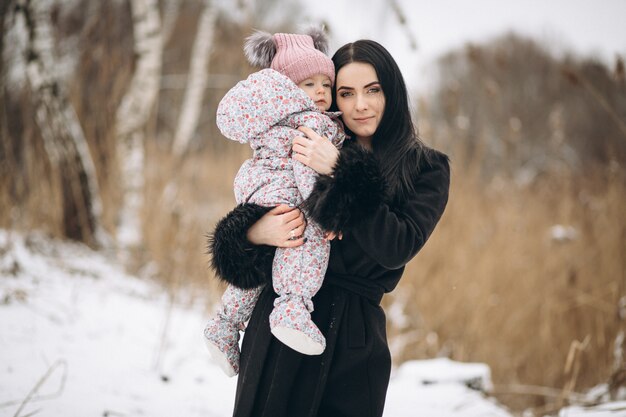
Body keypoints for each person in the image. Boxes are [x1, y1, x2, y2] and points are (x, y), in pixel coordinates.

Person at [209, 39, 450, 417]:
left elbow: (396, 246)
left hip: (354, 338)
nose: (360, 105)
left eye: (373, 90)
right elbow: (259, 204)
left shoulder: (425, 167)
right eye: (346, 92)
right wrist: (255, 233)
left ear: (393, 92)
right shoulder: (311, 135)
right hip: (280, 326)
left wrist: (339, 170)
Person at [203, 28, 346, 377]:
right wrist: (324, 210)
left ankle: (224, 325)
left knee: (264, 264)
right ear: (287, 89)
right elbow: (305, 164)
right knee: (304, 239)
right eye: (309, 84)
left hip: (260, 189)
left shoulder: (273, 119)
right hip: (289, 190)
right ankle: (292, 309)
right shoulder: (312, 121)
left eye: (326, 84)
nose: (321, 93)